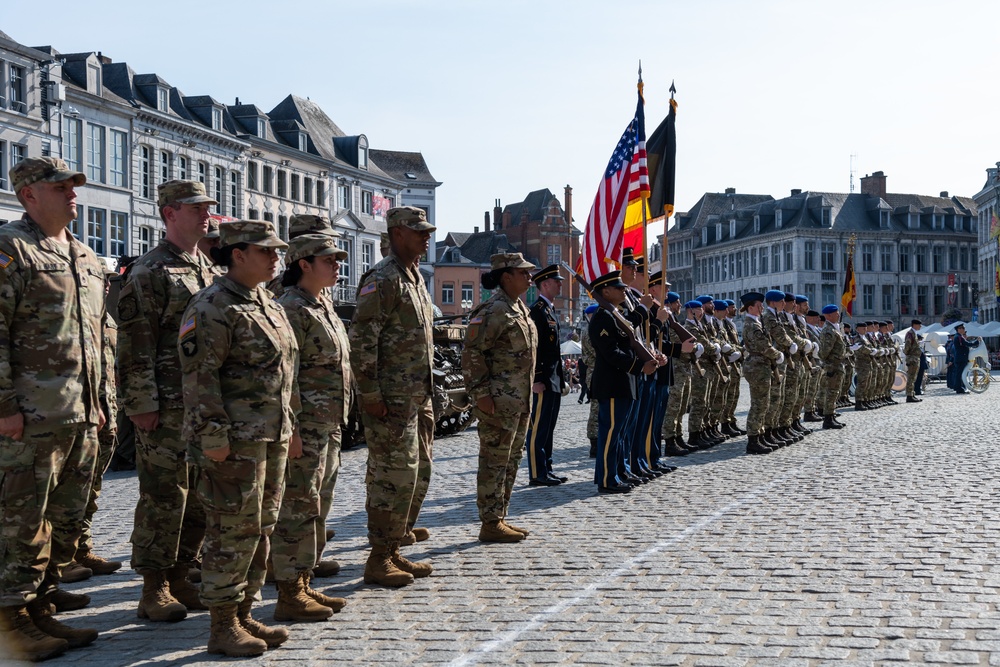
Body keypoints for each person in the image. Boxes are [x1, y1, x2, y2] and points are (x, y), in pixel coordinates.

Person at [0, 157, 106, 661]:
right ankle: (12, 619)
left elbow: (94, 340)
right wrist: (4, 407)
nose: (72, 194)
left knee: (62, 519)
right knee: (22, 521)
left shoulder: (84, 256)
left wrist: (99, 402)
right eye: (59, 187)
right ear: (28, 195)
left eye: (73, 186)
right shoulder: (10, 249)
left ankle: (41, 610)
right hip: (29, 417)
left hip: (79, 414)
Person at [179, 220, 298, 657]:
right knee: (230, 529)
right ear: (237, 254)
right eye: (265, 250)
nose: (274, 257)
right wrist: (213, 437)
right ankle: (222, 623)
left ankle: (245, 610)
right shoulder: (211, 306)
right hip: (233, 441)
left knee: (260, 527)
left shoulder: (266, 302)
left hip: (270, 436)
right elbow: (198, 378)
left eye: (276, 251)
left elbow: (285, 374)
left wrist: (292, 426)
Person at [118, 180, 218, 623]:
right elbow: (134, 342)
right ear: (169, 213)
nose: (206, 215)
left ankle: (182, 573)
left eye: (208, 208)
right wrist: (141, 402)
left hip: (203, 405)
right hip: (166, 404)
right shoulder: (149, 271)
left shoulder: (209, 271)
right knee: (163, 496)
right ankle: (153, 585)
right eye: (196, 208)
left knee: (199, 495)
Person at [349, 206, 436, 588]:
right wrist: (370, 395)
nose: (426, 236)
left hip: (416, 397)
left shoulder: (414, 277)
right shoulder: (382, 279)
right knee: (391, 478)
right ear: (397, 233)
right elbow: (363, 340)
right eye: (419, 231)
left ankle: (394, 546)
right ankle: (378, 556)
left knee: (417, 474)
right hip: (391, 400)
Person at [272, 234, 352, 622]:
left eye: (337, 259)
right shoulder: (291, 308)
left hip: (328, 423)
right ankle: (289, 590)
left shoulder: (322, 305)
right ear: (303, 263)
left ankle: (303, 582)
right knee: (297, 508)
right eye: (329, 259)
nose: (337, 264)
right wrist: (294, 430)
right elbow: (285, 377)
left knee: (318, 504)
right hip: (305, 426)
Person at [462, 252, 538, 542]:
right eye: (523, 273)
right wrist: (480, 394)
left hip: (519, 401)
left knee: (511, 460)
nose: (529, 277)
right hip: (497, 401)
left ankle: (500, 517)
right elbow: (471, 353)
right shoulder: (493, 311)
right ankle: (490, 521)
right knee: (494, 461)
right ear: (506, 276)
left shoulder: (519, 309)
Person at [589, 271, 664, 493]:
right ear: (606, 292)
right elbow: (612, 353)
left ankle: (619, 471)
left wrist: (648, 359)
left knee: (621, 433)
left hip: (625, 381)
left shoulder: (615, 316)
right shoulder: (603, 318)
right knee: (611, 433)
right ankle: (606, 479)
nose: (624, 291)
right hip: (612, 383)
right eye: (619, 288)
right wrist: (640, 366)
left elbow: (631, 341)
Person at [524, 264, 567, 486]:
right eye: (556, 281)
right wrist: (536, 378)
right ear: (545, 284)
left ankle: (547, 467)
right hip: (543, 379)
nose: (561, 284)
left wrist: (561, 378)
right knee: (538, 428)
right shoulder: (537, 311)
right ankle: (536, 472)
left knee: (549, 426)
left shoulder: (549, 309)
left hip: (553, 378)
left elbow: (555, 352)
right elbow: (535, 349)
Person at [739, 292, 782, 454]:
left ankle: (760, 435)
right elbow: (764, 346)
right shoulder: (752, 325)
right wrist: (778, 355)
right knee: (759, 404)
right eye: (759, 305)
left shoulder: (757, 322)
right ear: (750, 307)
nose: (762, 308)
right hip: (757, 367)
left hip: (762, 366)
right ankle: (753, 440)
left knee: (763, 403)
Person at [817, 305, 847, 429]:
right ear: (828, 315)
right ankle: (828, 419)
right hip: (832, 366)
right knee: (831, 392)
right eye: (836, 313)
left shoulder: (835, 329)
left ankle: (831, 416)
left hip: (837, 365)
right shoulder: (829, 330)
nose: (838, 315)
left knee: (834, 392)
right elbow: (824, 352)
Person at [903, 319, 923, 402]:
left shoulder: (913, 333)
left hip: (915, 357)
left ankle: (912, 394)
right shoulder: (910, 334)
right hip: (912, 358)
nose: (920, 326)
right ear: (914, 325)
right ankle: (909, 395)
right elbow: (907, 345)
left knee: (913, 378)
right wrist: (908, 354)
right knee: (911, 377)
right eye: (919, 325)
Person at [953, 323, 971, 394]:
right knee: (960, 374)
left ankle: (959, 387)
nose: (964, 329)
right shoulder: (959, 337)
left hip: (960, 357)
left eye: (964, 328)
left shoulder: (958, 336)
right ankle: (959, 388)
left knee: (960, 373)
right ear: (958, 329)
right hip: (961, 358)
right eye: (962, 328)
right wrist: (977, 342)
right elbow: (967, 344)